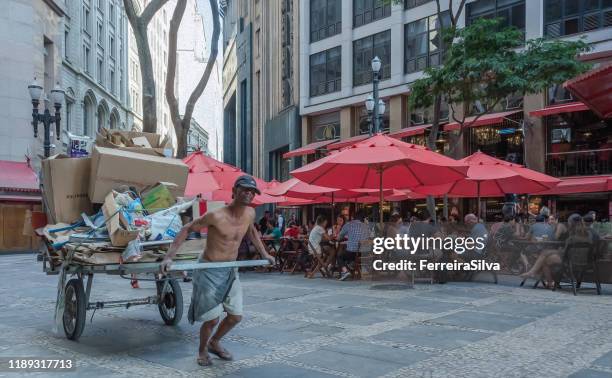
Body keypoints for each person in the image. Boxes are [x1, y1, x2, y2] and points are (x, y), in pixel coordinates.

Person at [160, 175, 275, 367]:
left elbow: (252, 232)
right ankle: (202, 350)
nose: (249, 193)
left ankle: (215, 342)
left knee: (235, 316)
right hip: (209, 269)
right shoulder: (216, 215)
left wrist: (265, 253)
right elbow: (188, 228)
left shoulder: (250, 214)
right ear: (234, 192)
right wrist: (169, 256)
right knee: (212, 319)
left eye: (252, 191)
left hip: (230, 269)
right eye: (245, 189)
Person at [521, 213, 593, 287]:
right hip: (585, 261)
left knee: (545, 258)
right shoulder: (588, 234)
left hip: (570, 260)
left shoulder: (571, 236)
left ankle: (544, 279)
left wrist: (554, 251)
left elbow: (565, 252)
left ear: (571, 223)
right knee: (545, 254)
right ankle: (543, 278)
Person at [337, 210, 370, 281]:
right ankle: (352, 267)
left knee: (339, 256)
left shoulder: (348, 224)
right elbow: (369, 237)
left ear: (354, 217)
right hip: (364, 253)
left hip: (352, 252)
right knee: (349, 255)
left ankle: (345, 271)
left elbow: (339, 237)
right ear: (363, 218)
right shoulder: (366, 226)